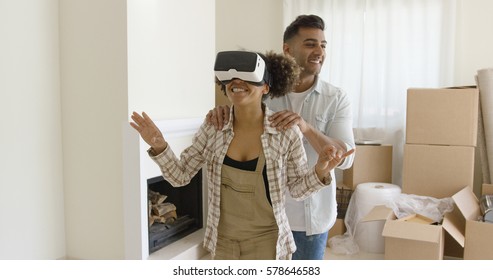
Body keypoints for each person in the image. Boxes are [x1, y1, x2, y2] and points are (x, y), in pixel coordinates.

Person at [130, 50, 353, 260]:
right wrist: (159, 145)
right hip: (223, 243)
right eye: (231, 78)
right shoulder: (213, 127)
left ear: (266, 87)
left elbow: (297, 189)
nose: (237, 82)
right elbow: (180, 176)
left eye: (246, 76)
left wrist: (322, 169)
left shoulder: (285, 132)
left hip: (269, 243)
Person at [207, 15, 355, 260]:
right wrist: (221, 111)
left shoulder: (336, 98)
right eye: (310, 44)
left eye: (323, 45)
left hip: (310, 223)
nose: (319, 51)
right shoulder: (262, 91)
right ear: (287, 49)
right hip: (261, 220)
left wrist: (306, 127)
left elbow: (346, 157)